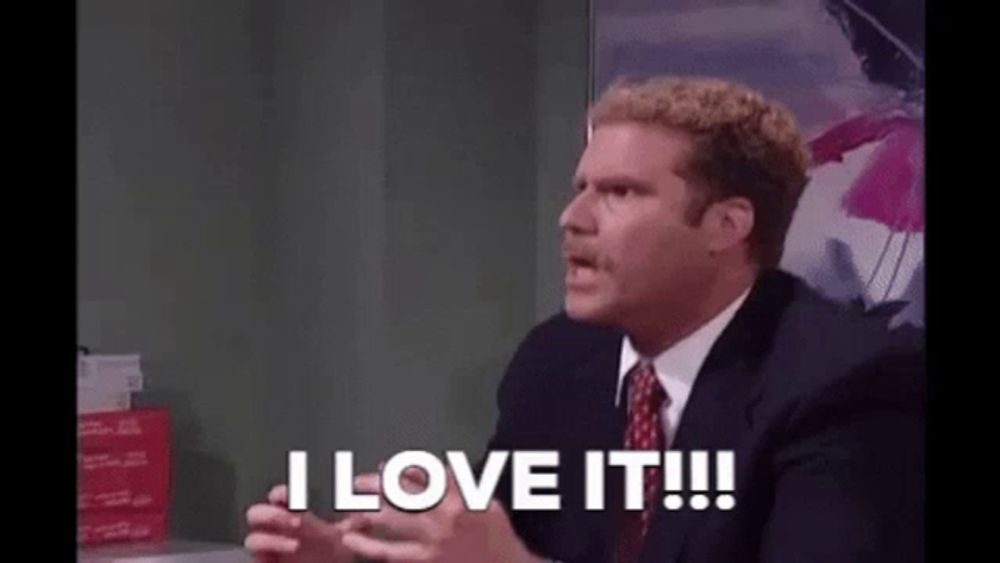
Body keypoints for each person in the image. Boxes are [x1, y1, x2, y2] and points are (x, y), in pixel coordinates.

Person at [244, 76, 925, 563]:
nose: (572, 219)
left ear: (726, 224)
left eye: (620, 192)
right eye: (581, 190)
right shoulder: (560, 360)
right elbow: (499, 541)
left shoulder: (852, 384)